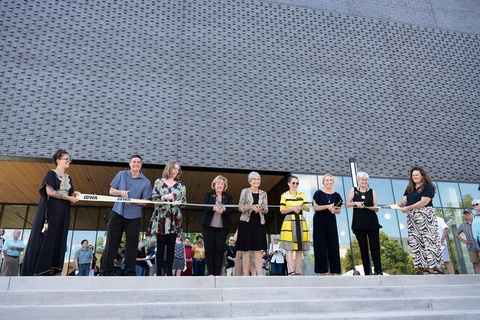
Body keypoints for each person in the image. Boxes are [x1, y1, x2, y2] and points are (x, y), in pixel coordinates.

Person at [22, 148, 80, 276]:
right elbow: (49, 192)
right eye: (66, 159)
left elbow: (70, 192)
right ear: (58, 160)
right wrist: (68, 197)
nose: (69, 161)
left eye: (69, 159)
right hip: (53, 208)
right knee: (49, 236)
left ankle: (54, 268)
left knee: (60, 236)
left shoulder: (68, 177)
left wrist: (76, 194)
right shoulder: (51, 173)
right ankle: (40, 269)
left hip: (64, 209)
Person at [101, 154, 152, 276]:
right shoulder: (121, 174)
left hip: (134, 217)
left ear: (141, 165)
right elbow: (111, 190)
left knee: (132, 246)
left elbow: (145, 201)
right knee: (111, 243)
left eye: (138, 162)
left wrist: (133, 200)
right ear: (129, 164)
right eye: (134, 162)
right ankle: (106, 271)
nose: (136, 164)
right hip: (117, 213)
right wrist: (121, 192)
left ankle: (130, 272)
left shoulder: (146, 182)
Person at [397, 166, 443, 275]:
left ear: (422, 175)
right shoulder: (410, 188)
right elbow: (405, 200)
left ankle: (435, 267)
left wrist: (408, 207)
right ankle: (425, 268)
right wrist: (401, 204)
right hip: (412, 217)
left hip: (425, 216)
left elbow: (424, 202)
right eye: (413, 175)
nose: (414, 177)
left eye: (416, 175)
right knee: (417, 242)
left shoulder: (428, 187)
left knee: (429, 240)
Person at [147, 161, 186, 277]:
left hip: (174, 217)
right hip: (161, 217)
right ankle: (159, 272)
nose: (176, 171)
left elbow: (184, 202)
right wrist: (163, 197)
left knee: (171, 245)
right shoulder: (158, 182)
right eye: (174, 169)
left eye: (178, 169)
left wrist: (179, 202)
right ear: (169, 168)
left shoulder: (181, 185)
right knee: (160, 244)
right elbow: (154, 199)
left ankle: (169, 272)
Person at [346, 172, 383, 275]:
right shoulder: (354, 190)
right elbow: (347, 204)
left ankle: (378, 270)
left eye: (366, 180)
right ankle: (367, 272)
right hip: (359, 224)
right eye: (362, 179)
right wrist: (356, 203)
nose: (364, 181)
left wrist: (375, 208)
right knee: (363, 248)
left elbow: (376, 206)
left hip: (372, 223)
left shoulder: (372, 191)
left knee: (375, 246)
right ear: (358, 180)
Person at [237, 171, 268, 276]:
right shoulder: (245, 191)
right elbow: (240, 207)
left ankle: (259, 275)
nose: (256, 181)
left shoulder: (263, 193)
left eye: (258, 179)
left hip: (259, 222)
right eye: (254, 179)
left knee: (258, 250)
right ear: (250, 181)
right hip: (246, 223)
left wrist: (261, 209)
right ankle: (246, 275)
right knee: (246, 250)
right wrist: (251, 207)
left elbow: (266, 208)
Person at [202, 175, 234, 276]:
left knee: (219, 249)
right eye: (218, 183)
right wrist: (214, 208)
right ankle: (210, 272)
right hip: (208, 226)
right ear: (214, 185)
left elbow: (231, 210)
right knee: (209, 248)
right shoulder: (208, 194)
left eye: (222, 183)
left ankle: (218, 272)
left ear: (224, 185)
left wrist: (224, 209)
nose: (220, 185)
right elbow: (204, 207)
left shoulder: (228, 196)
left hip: (222, 226)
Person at [279, 175, 310, 276]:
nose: (295, 185)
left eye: (297, 183)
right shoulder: (284, 195)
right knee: (289, 248)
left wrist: (301, 207)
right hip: (289, 221)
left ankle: (298, 271)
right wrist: (292, 208)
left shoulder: (302, 194)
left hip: (300, 220)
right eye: (293, 183)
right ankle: (291, 271)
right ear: (288, 183)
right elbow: (282, 210)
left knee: (299, 248)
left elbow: (308, 208)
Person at [312, 174, 343, 275]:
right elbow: (315, 207)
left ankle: (334, 270)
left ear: (333, 182)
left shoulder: (337, 195)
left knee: (333, 244)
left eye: (331, 180)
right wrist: (327, 206)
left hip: (331, 219)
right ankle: (322, 270)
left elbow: (339, 211)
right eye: (327, 180)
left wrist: (334, 210)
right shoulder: (318, 193)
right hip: (319, 219)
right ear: (323, 182)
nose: (329, 182)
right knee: (320, 244)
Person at [455, 208, 480, 274]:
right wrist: (463, 240)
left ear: (472, 214)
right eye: (465, 214)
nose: (467, 215)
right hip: (471, 247)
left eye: (468, 213)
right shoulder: (463, 225)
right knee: (475, 263)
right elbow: (456, 234)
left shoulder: (477, 222)